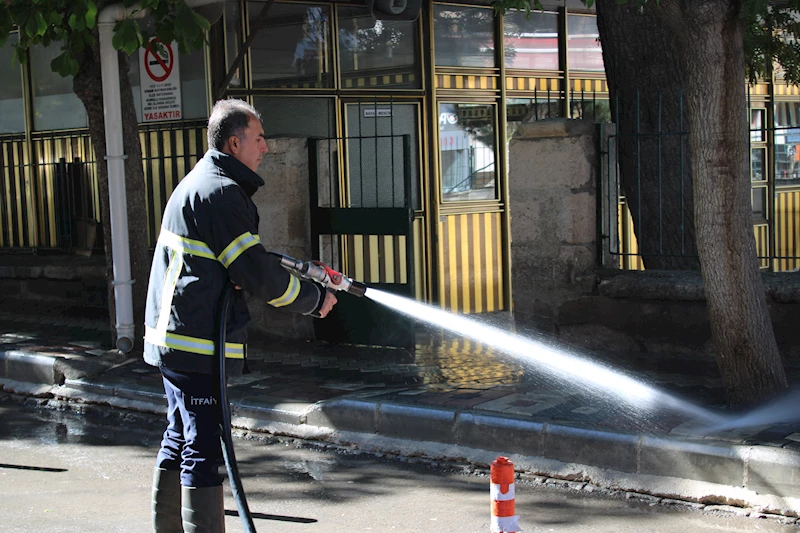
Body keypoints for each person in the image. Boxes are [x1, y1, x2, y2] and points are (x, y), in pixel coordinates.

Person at [144, 98, 337, 533]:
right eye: (260, 138)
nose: (266, 147)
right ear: (235, 143)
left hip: (176, 340)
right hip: (195, 344)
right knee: (204, 449)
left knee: (179, 438)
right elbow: (256, 275)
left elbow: (234, 262)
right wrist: (313, 300)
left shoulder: (205, 183)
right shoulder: (221, 192)